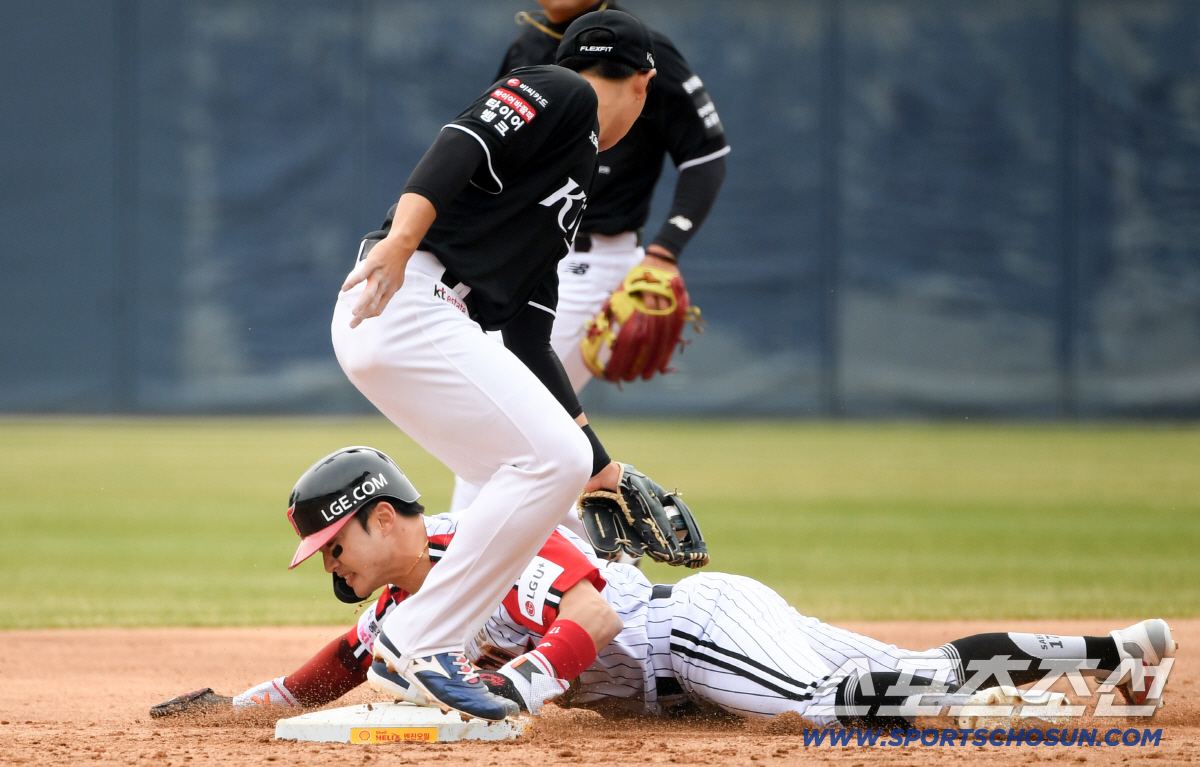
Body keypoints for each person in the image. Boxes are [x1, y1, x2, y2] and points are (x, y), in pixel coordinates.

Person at [154, 447, 1177, 730]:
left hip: (691, 632)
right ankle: (1122, 655)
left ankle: (1095, 675)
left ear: (384, 517)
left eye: (333, 542)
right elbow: (335, 667)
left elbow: (595, 609)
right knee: (907, 670)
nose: (329, 564)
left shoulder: (486, 542)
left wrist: (519, 686)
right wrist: (229, 713)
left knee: (832, 704)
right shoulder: (397, 611)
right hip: (689, 663)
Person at [329, 11, 663, 721]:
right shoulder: (563, 90)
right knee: (551, 460)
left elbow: (530, 337)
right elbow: (462, 141)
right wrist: (400, 241)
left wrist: (603, 468)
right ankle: (421, 641)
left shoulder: (569, 170)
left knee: (541, 466)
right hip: (407, 291)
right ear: (644, 81)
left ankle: (427, 640)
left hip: (417, 313)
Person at [449, 0, 731, 520]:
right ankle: (611, 555)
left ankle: (597, 561)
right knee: (513, 439)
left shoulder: (641, 49)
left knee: (503, 435)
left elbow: (706, 154)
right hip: (524, 260)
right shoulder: (529, 46)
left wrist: (665, 252)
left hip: (592, 263)